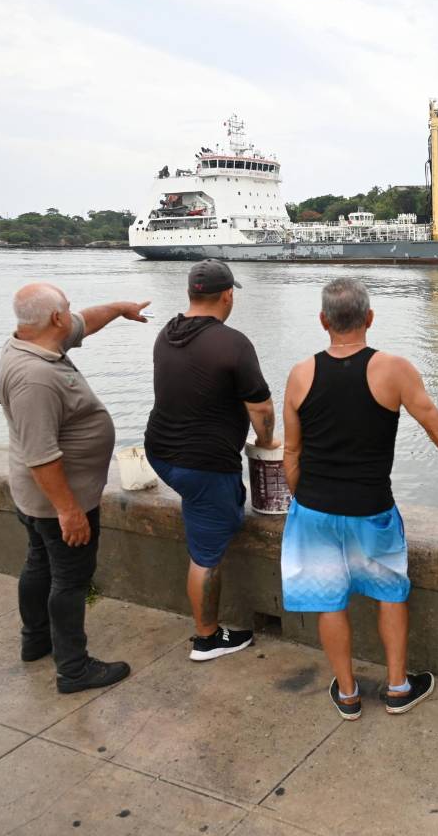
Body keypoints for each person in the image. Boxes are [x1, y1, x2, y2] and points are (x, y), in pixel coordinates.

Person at [280, 278, 438, 720]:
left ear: (323, 321)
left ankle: (348, 694)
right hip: (371, 508)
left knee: (328, 601)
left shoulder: (300, 374)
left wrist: (304, 503)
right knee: (390, 594)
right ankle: (398, 688)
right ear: (369, 318)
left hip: (313, 509)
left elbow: (291, 452)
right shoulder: (393, 369)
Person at [0, 283, 151, 693]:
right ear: (55, 318)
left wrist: (120, 307)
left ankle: (35, 641)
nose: (73, 313)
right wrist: (68, 511)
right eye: (67, 308)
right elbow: (41, 455)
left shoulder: (31, 341)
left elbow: (86, 322)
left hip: (35, 497)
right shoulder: (35, 378)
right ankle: (73, 669)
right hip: (58, 501)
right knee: (69, 580)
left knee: (39, 563)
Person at [144, 260, 277, 661]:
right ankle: (207, 637)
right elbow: (261, 407)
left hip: (161, 452)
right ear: (227, 295)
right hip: (202, 463)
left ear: (191, 293)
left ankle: (213, 513)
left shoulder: (167, 334)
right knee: (206, 554)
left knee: (214, 508)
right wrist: (266, 442)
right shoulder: (233, 343)